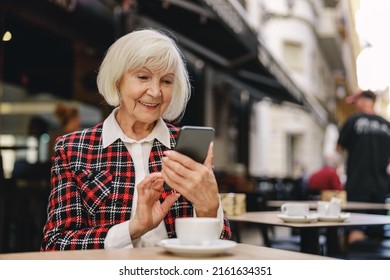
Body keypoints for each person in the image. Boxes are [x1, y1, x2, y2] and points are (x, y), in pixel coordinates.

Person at [41, 29, 231, 250]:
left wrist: (208, 208)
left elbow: (221, 247)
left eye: (167, 81)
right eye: (143, 77)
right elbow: (56, 244)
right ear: (117, 80)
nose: (156, 92)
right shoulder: (73, 148)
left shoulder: (186, 147)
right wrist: (133, 228)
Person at [336, 89, 390, 242]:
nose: (355, 106)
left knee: (356, 227)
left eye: (355, 102)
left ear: (362, 101)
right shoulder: (387, 125)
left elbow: (339, 148)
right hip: (380, 186)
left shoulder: (353, 120)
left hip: (357, 183)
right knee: (376, 229)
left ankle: (356, 261)